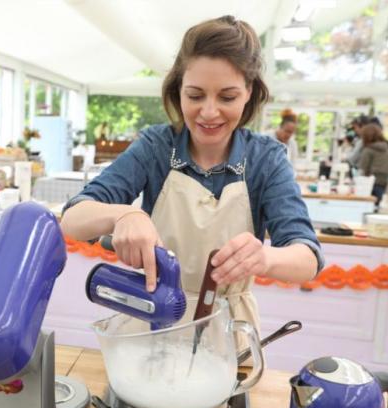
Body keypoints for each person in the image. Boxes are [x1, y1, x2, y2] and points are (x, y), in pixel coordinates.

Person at [60, 16, 322, 349]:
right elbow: (72, 219)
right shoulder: (156, 147)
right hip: (151, 325)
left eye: (227, 97)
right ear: (178, 90)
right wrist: (124, 215)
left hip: (227, 334)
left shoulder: (266, 160)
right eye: (195, 96)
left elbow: (307, 258)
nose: (209, 113)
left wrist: (265, 258)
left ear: (249, 93)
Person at [358, 123, 388, 208]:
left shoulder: (368, 150)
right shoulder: (386, 148)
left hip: (369, 182)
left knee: (365, 206)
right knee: (375, 205)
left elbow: (363, 168)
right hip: (383, 181)